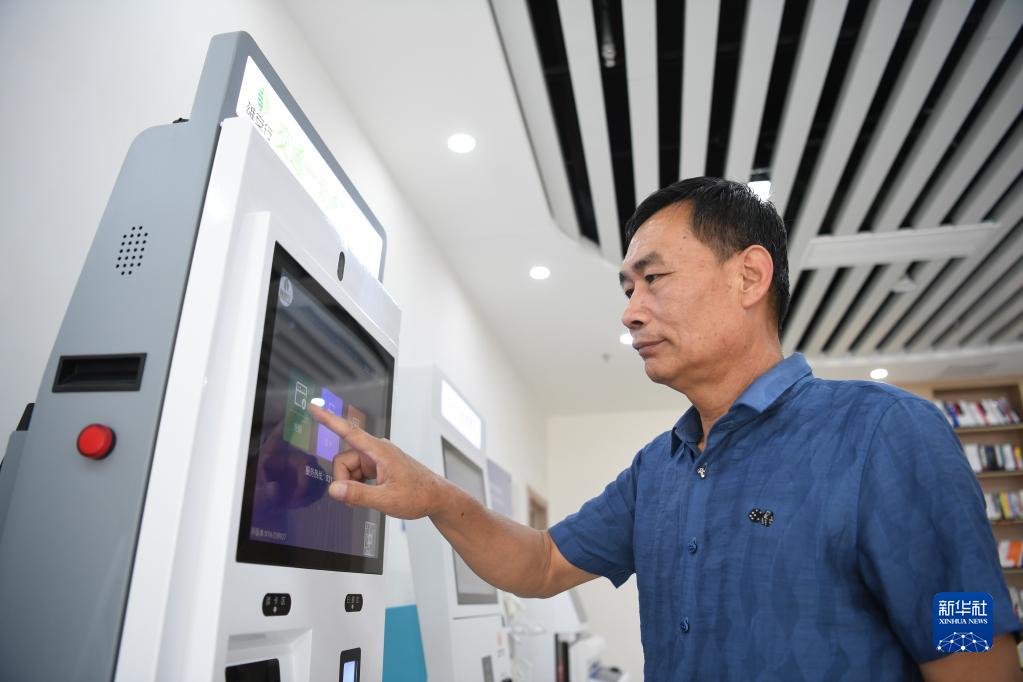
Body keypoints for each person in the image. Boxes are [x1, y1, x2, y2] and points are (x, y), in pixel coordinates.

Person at [309, 177, 1021, 680]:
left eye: (653, 279)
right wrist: (435, 497)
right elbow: (541, 565)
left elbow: (968, 637)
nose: (629, 312)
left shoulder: (886, 432)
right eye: (627, 288)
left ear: (749, 277)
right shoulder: (661, 468)